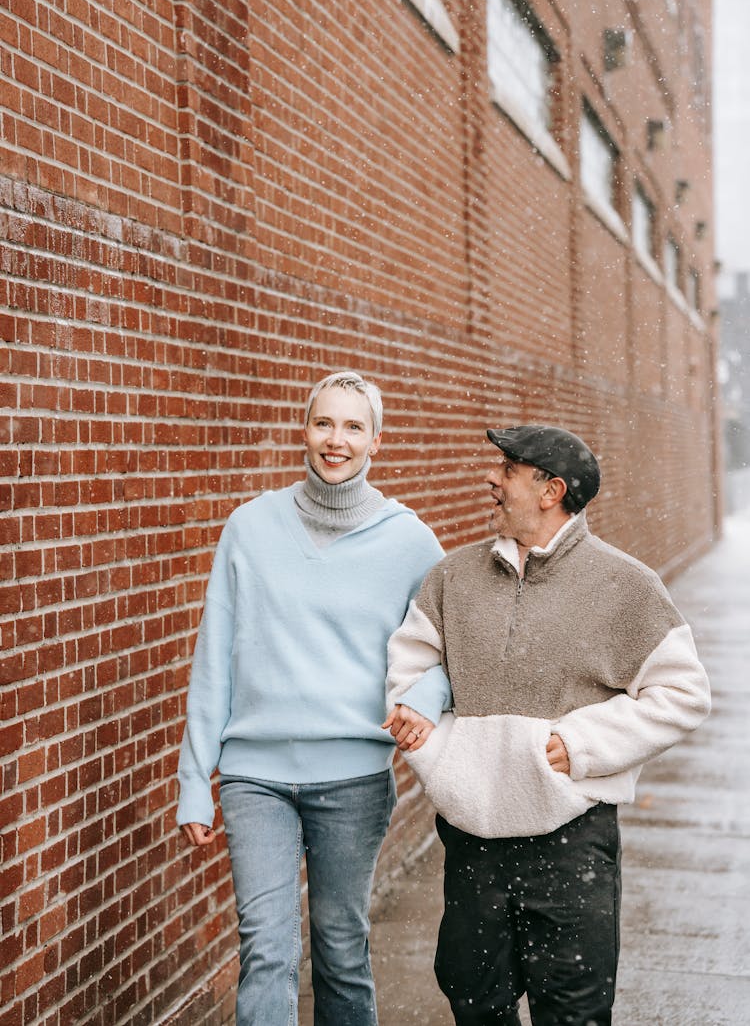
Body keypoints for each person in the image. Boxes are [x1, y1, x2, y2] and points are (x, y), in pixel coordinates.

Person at [383, 424, 711, 1026]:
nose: (491, 478)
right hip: (473, 844)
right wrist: (442, 756)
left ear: (550, 490)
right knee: (474, 1000)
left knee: (573, 1011)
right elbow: (412, 664)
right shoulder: (453, 578)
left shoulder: (624, 585)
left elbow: (684, 692)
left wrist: (580, 744)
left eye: (507, 469)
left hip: (571, 842)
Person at [177, 370, 444, 1026]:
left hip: (353, 777)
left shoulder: (408, 539)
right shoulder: (249, 527)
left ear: (375, 441)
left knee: (339, 950)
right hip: (254, 776)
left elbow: (445, 644)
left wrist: (426, 700)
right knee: (266, 949)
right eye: (324, 422)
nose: (336, 439)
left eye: (353, 426)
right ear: (305, 429)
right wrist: (193, 779)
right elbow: (214, 657)